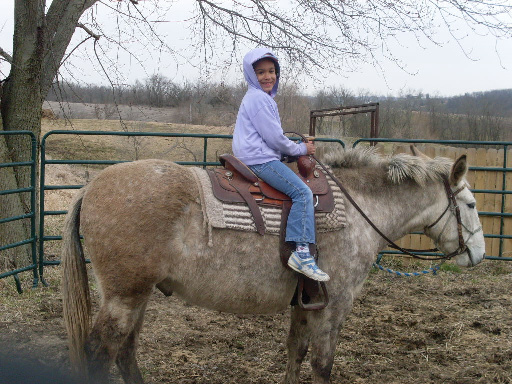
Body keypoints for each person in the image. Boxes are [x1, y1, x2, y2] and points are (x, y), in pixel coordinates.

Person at [232, 47, 330, 282]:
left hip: (255, 155)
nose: (268, 77)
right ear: (250, 74)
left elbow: (270, 139)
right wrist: (301, 150)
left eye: (272, 71)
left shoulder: (257, 98)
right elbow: (275, 139)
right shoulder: (259, 100)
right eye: (261, 72)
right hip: (259, 160)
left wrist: (290, 149)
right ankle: (302, 254)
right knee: (302, 193)